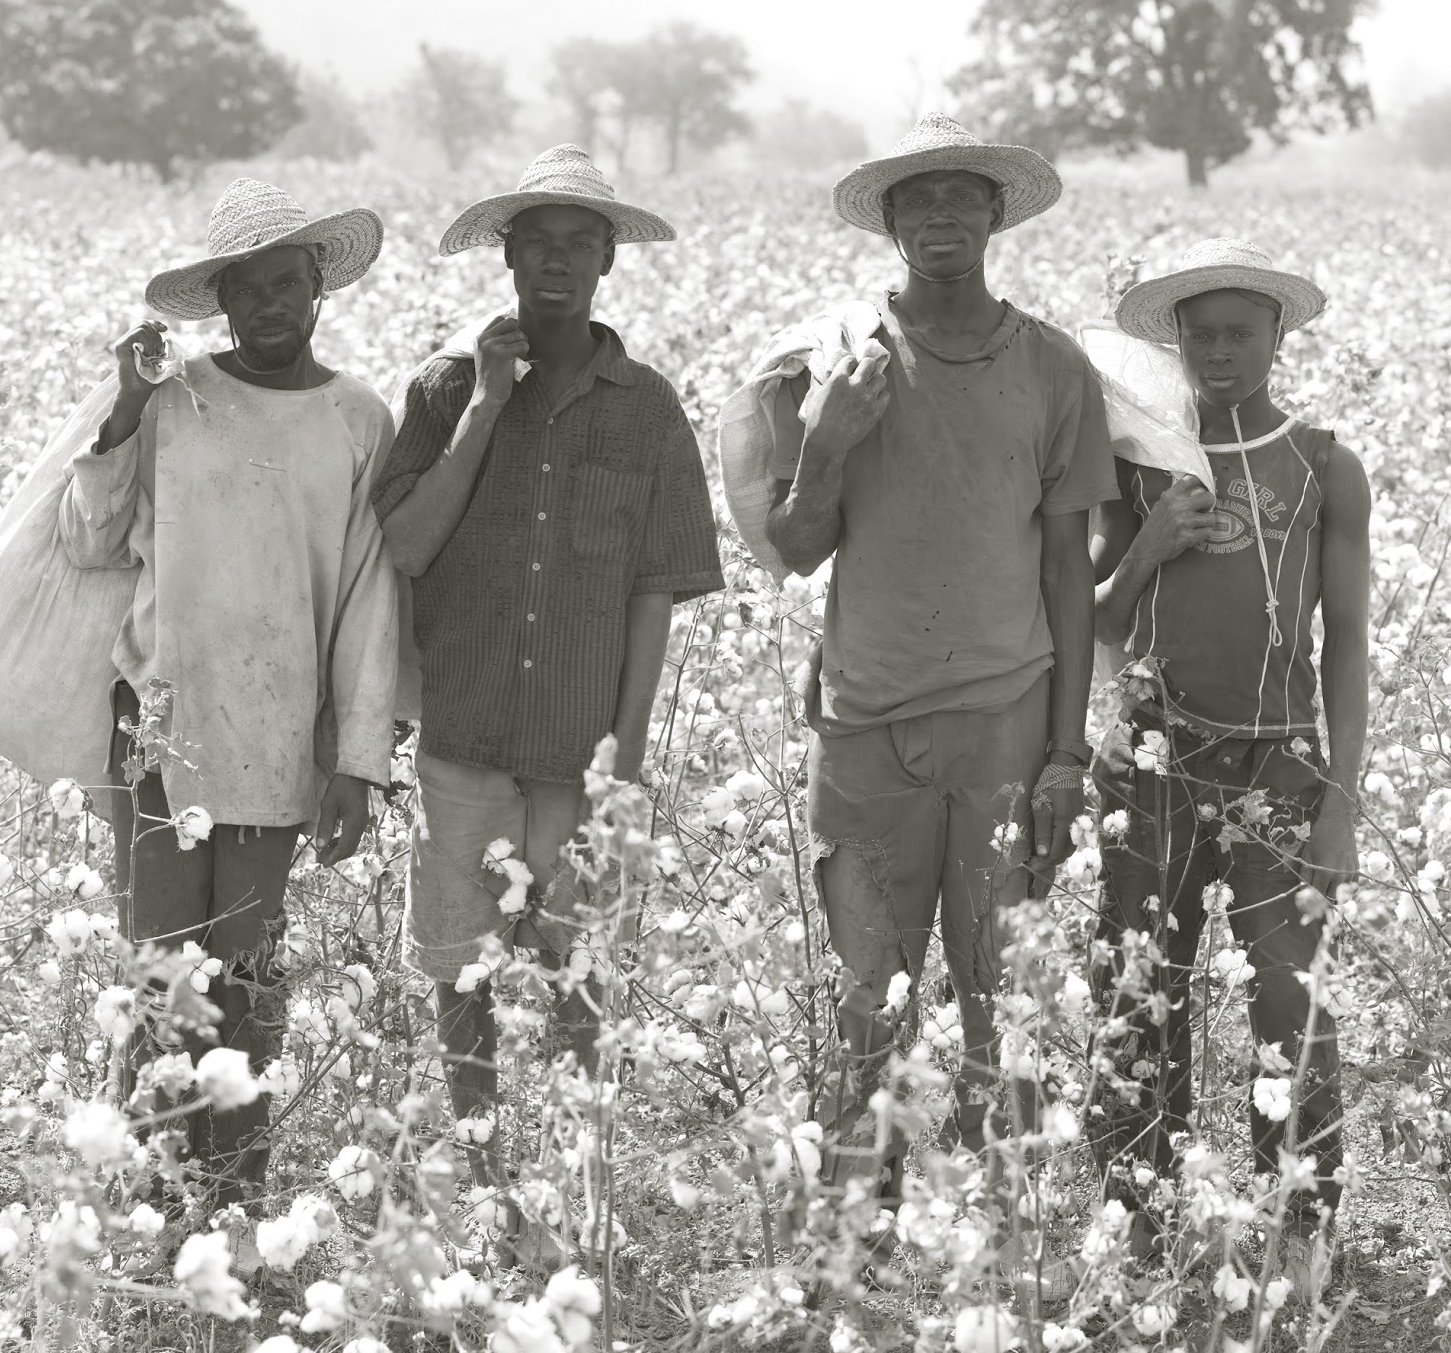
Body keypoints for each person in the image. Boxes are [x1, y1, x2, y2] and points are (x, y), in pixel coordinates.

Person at [763, 113, 1117, 1273]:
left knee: (995, 992)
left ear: (995, 215)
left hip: (1007, 722)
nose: (943, 218)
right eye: (919, 201)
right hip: (864, 725)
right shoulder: (841, 360)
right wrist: (825, 440)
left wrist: (1067, 748)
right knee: (870, 992)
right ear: (891, 221)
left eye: (964, 197)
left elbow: (1068, 566)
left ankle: (993, 1245)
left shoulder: (1054, 367)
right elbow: (795, 542)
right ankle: (853, 1240)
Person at [375, 145, 722, 1231]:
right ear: (506, 253)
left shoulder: (649, 409)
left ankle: (580, 1184)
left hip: (582, 749)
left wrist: (623, 763)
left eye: (581, 243)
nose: (558, 262)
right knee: (462, 977)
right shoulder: (441, 389)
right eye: (538, 242)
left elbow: (653, 597)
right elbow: (407, 546)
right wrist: (484, 401)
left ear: (609, 259)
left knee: (580, 982)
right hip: (465, 732)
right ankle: (483, 1179)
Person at [58, 178, 398, 1207]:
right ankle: (154, 1181)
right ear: (222, 303)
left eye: (286, 284)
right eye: (247, 290)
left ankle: (236, 1179)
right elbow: (90, 535)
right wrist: (120, 402)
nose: (269, 307)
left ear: (318, 291)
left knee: (243, 963)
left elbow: (367, 597)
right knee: (164, 960)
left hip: (279, 729)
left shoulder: (357, 418)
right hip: (161, 718)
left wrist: (357, 762)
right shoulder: (171, 400)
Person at [1089, 238, 1368, 1296]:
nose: (1216, 351)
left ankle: (1300, 1233)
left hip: (1280, 773)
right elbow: (1102, 624)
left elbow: (1345, 640)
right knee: (1133, 993)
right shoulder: (1136, 460)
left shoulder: (1322, 462)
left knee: (1289, 1007)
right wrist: (1147, 542)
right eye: (1198, 333)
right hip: (1150, 759)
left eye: (1237, 332)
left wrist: (1338, 802)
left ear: (1276, 336)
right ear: (1173, 339)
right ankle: (1134, 1230)